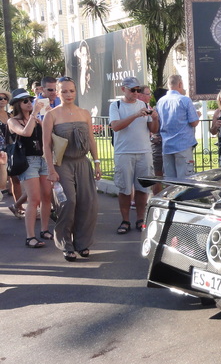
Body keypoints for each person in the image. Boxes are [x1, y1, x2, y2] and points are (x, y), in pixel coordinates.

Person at [42, 77, 101, 261]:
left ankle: (82, 243)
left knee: (88, 204)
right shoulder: (51, 115)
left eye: (71, 91)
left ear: (76, 92)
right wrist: (51, 170)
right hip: (62, 164)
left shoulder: (84, 113)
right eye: (64, 91)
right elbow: (46, 146)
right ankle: (65, 244)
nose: (68, 94)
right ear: (58, 93)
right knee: (68, 203)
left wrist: (97, 161)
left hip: (83, 162)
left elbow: (91, 139)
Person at [109, 76, 158, 234]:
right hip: (124, 152)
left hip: (144, 151)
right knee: (124, 189)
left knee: (142, 188)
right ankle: (125, 220)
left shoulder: (144, 104)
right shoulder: (116, 105)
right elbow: (116, 127)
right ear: (123, 89)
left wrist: (156, 118)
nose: (136, 93)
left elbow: (153, 129)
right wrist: (136, 115)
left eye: (138, 90)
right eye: (133, 90)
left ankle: (140, 218)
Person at [7, 88, 52, 248]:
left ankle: (45, 229)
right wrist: (35, 115)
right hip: (27, 161)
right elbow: (25, 133)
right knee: (34, 199)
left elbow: (47, 137)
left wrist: (48, 114)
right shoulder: (13, 121)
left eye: (30, 100)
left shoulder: (37, 119)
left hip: (43, 159)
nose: (29, 103)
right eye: (25, 101)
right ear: (18, 104)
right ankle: (30, 236)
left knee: (47, 196)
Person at [156, 75, 200, 178]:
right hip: (183, 144)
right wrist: (197, 116)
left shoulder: (161, 101)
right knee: (184, 180)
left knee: (170, 181)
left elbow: (158, 121)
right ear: (180, 84)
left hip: (166, 145)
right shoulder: (185, 100)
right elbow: (193, 122)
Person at [0, 90, 27, 218]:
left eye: (5, 98)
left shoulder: (10, 116)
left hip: (10, 149)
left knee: (15, 178)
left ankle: (18, 207)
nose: (2, 100)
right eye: (0, 98)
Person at [147, 87, 167, 195]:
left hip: (157, 145)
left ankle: (157, 198)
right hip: (160, 144)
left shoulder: (154, 109)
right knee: (162, 176)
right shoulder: (157, 110)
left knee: (158, 176)